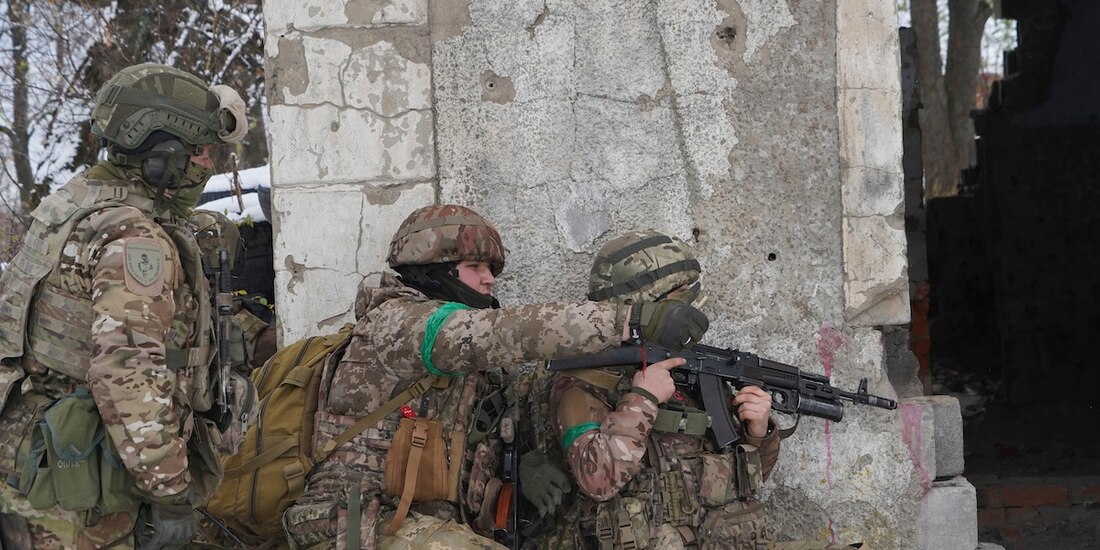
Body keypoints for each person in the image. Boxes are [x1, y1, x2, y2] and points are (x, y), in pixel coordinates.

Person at [282, 204, 708, 549]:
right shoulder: (399, 323)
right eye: (475, 266)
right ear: (437, 269)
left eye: (492, 269)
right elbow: (505, 333)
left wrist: (521, 470)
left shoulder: (472, 363)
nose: (489, 279)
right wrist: (633, 320)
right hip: (354, 525)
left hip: (418, 526)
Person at [0, 63, 248, 549]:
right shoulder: (132, 237)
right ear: (165, 155)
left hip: (32, 458)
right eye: (199, 152)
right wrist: (171, 491)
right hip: (84, 487)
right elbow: (127, 372)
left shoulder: (72, 205)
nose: (209, 166)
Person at [534, 230, 862, 550]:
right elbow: (598, 481)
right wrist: (643, 399)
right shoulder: (585, 383)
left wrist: (757, 432)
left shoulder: (690, 371)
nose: (693, 302)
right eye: (680, 294)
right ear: (639, 307)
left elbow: (745, 483)